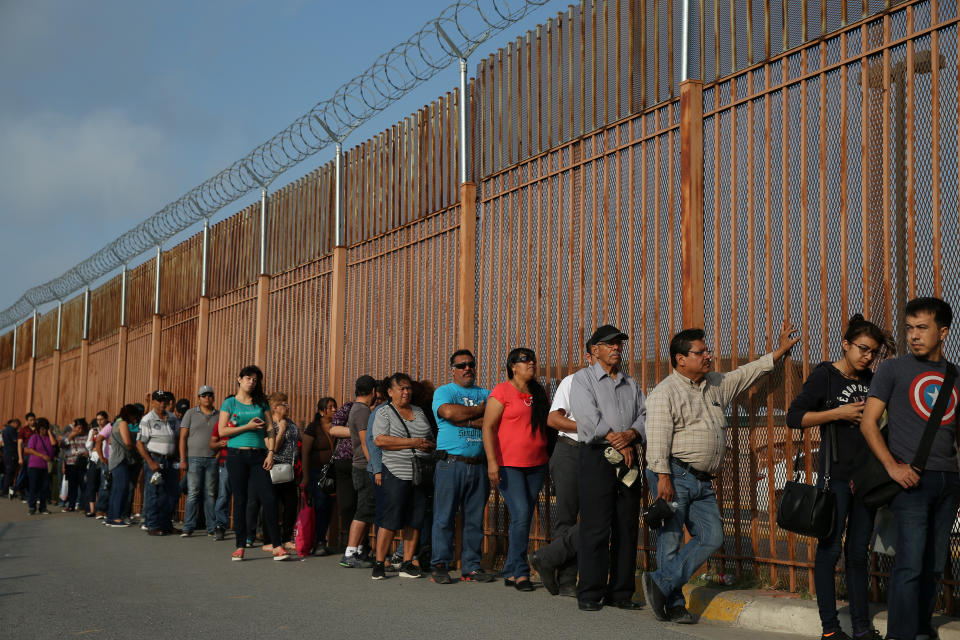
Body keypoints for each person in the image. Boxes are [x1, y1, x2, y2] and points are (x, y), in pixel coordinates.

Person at [643, 323, 799, 623]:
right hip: (675, 475)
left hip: (703, 481)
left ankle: (661, 582)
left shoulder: (715, 383)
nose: (708, 356)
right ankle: (673, 604)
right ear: (680, 359)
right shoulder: (665, 393)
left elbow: (745, 373)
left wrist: (778, 352)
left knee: (712, 537)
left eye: (707, 351)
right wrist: (662, 478)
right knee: (671, 539)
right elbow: (658, 438)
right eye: (700, 352)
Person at [860, 297, 959, 640]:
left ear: (943, 331)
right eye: (909, 329)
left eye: (922, 328)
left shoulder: (955, 375)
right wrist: (893, 467)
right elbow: (869, 423)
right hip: (911, 481)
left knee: (932, 566)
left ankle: (921, 630)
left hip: (948, 481)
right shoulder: (893, 369)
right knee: (910, 564)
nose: (914, 335)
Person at [787, 315, 891, 640]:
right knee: (830, 550)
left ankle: (862, 628)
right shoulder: (825, 377)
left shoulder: (873, 380)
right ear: (845, 344)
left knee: (858, 554)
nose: (867, 356)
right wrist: (838, 413)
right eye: (862, 349)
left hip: (867, 481)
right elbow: (794, 417)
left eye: (873, 352)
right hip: (836, 477)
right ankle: (830, 630)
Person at [482, 348, 549, 592]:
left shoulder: (539, 392)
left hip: (537, 465)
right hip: (509, 465)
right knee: (521, 514)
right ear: (513, 366)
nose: (531, 363)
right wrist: (492, 462)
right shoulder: (501, 391)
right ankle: (521, 572)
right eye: (524, 360)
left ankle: (510, 569)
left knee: (523, 518)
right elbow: (488, 427)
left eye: (533, 359)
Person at [529, 346, 594, 597]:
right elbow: (554, 419)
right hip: (570, 449)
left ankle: (547, 557)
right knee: (566, 517)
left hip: (598, 454)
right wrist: (590, 428)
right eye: (603, 349)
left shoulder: (618, 384)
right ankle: (567, 580)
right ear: (589, 356)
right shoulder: (573, 381)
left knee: (599, 515)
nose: (613, 352)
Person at [430, 349, 496, 585]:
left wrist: (463, 418)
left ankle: (472, 567)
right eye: (461, 365)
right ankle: (440, 564)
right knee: (444, 517)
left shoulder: (487, 393)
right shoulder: (444, 392)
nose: (467, 368)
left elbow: (494, 422)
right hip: (451, 463)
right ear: (453, 370)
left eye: (470, 364)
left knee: (474, 519)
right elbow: (448, 412)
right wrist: (478, 412)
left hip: (478, 465)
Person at [218, 365, 288, 561]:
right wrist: (247, 427)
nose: (252, 382)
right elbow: (222, 431)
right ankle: (240, 546)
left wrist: (271, 452)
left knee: (269, 498)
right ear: (239, 379)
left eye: (255, 380)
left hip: (259, 456)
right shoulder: (229, 403)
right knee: (240, 501)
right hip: (236, 456)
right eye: (248, 378)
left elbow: (269, 430)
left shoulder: (261, 403)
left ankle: (277, 546)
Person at [370, 372, 436, 580]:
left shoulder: (419, 411)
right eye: (402, 388)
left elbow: (430, 438)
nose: (406, 392)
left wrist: (427, 446)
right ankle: (380, 563)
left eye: (408, 388)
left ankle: (407, 562)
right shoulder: (384, 413)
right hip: (396, 472)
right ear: (390, 392)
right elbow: (380, 440)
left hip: (420, 473)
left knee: (415, 519)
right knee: (390, 519)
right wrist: (413, 443)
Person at [340, 376, 378, 568]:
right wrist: (374, 466)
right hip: (364, 466)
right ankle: (350, 552)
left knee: (367, 509)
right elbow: (365, 442)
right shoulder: (362, 412)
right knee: (363, 509)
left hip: (359, 465)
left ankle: (360, 551)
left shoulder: (357, 409)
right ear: (373, 391)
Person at [137, 391, 182, 536]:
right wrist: (150, 461)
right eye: (159, 400)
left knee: (172, 493)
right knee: (154, 494)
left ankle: (166, 524)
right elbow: (140, 443)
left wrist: (176, 456)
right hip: (155, 459)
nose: (162, 403)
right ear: (153, 402)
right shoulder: (147, 419)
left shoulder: (172, 417)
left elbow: (177, 437)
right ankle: (153, 525)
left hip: (170, 460)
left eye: (164, 400)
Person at [179, 385, 219, 538]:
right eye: (204, 395)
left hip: (212, 459)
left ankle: (211, 527)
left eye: (210, 395)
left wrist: (217, 455)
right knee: (193, 493)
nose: (207, 397)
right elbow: (182, 438)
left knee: (210, 493)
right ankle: (188, 526)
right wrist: (183, 459)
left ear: (213, 397)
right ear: (199, 398)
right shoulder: (190, 413)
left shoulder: (220, 415)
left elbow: (223, 437)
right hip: (193, 459)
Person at [301, 396, 337, 554]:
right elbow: (305, 453)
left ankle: (322, 539)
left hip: (334, 473)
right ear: (322, 411)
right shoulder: (313, 428)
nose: (334, 409)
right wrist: (306, 476)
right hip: (317, 472)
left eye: (335, 406)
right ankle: (319, 541)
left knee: (329, 506)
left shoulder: (338, 426)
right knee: (321, 505)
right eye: (330, 407)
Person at [268, 392, 300, 551]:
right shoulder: (270, 424)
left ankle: (287, 538)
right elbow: (272, 447)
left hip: (290, 469)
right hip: (274, 468)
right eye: (284, 404)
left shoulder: (290, 422)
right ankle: (269, 539)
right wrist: (281, 430)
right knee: (272, 504)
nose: (288, 407)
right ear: (275, 407)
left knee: (291, 504)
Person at [105, 404, 141, 527]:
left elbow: (110, 441)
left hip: (115, 460)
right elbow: (127, 442)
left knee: (116, 490)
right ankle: (116, 517)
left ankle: (111, 517)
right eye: (134, 416)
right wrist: (137, 449)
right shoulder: (123, 424)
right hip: (121, 460)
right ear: (130, 415)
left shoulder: (115, 423)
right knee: (122, 489)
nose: (135, 419)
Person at [329, 398, 357, 551]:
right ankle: (346, 542)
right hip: (344, 461)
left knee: (363, 505)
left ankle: (361, 545)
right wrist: (359, 432)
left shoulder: (381, 410)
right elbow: (334, 429)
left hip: (367, 463)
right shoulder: (349, 406)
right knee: (346, 504)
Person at [24, 417, 56, 515]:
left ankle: (43, 507)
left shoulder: (49, 437)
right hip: (34, 465)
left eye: (45, 428)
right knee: (34, 487)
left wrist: (50, 433)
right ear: (38, 429)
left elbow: (54, 444)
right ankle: (32, 507)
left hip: (45, 466)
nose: (44, 430)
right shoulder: (35, 437)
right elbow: (28, 449)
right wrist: (42, 455)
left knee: (45, 487)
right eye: (42, 428)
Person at [61, 418, 89, 512]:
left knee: (84, 486)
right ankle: (71, 505)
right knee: (72, 486)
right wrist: (72, 435)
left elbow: (91, 447)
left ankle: (85, 506)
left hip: (83, 464)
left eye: (81, 427)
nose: (79, 430)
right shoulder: (68, 435)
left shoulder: (87, 436)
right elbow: (62, 445)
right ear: (74, 427)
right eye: (78, 427)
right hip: (70, 464)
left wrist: (87, 453)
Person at [3, 418, 21, 499]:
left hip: (7, 453)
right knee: (10, 473)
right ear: (15, 423)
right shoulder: (11, 430)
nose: (18, 427)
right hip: (11, 453)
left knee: (9, 473)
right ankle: (6, 491)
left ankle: (8, 491)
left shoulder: (5, 429)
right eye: (18, 425)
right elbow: (15, 440)